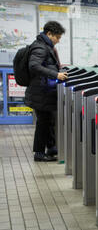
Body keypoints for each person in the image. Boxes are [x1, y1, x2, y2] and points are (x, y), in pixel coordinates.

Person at [25, 21, 68, 162]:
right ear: (49, 34)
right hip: (41, 92)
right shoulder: (41, 47)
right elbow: (34, 66)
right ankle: (39, 153)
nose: (58, 40)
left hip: (44, 91)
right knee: (43, 122)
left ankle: (51, 148)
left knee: (48, 120)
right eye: (57, 37)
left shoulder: (44, 46)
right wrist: (56, 75)